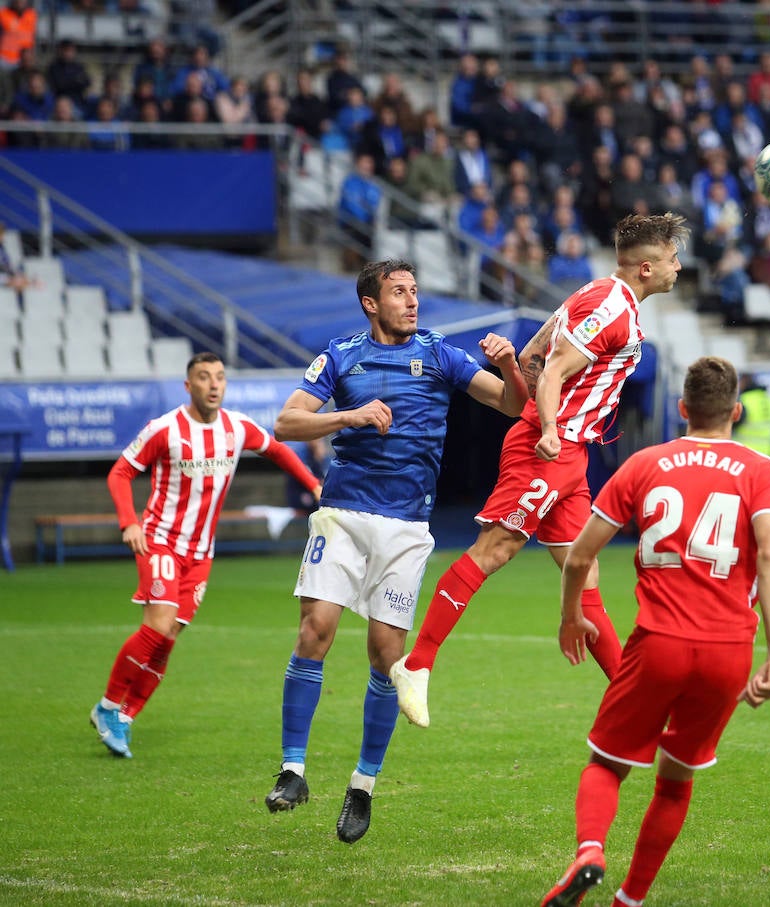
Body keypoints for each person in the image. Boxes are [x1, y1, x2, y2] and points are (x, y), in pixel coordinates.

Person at [263, 259, 528, 843]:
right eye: (399, 293)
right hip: (344, 514)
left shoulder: (439, 353)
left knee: (387, 656)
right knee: (316, 629)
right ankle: (293, 770)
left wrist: (509, 363)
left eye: (415, 291)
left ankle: (362, 786)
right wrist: (351, 415)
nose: (412, 301)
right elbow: (285, 424)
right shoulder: (340, 354)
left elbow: (511, 405)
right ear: (369, 303)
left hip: (407, 527)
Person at [391, 213, 690, 728]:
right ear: (646, 267)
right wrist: (546, 428)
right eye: (671, 258)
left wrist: (542, 412)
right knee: (495, 550)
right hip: (549, 451)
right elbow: (551, 369)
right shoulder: (610, 307)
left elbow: (533, 352)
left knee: (585, 573)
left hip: (570, 456)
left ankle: (631, 703)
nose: (678, 267)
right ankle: (416, 665)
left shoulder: (599, 294)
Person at [538, 355, 770, 907]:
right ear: (737, 411)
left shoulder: (644, 465)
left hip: (658, 644)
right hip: (729, 650)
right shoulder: (763, 471)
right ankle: (630, 900)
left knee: (606, 764)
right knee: (676, 780)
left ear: (682, 409)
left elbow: (580, 557)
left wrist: (570, 616)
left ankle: (589, 851)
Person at [90, 353, 322, 760]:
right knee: (157, 624)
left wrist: (314, 484)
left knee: (168, 638)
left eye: (219, 377)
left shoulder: (236, 427)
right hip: (160, 540)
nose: (213, 384)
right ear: (188, 386)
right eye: (203, 377)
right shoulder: (165, 429)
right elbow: (120, 472)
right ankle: (106, 707)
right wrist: (129, 522)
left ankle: (126, 718)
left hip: (200, 552)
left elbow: (278, 449)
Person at [735, 372, 770, 456]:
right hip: (767, 451)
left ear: (744, 382)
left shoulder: (744, 400)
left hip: (747, 451)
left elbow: (736, 423)